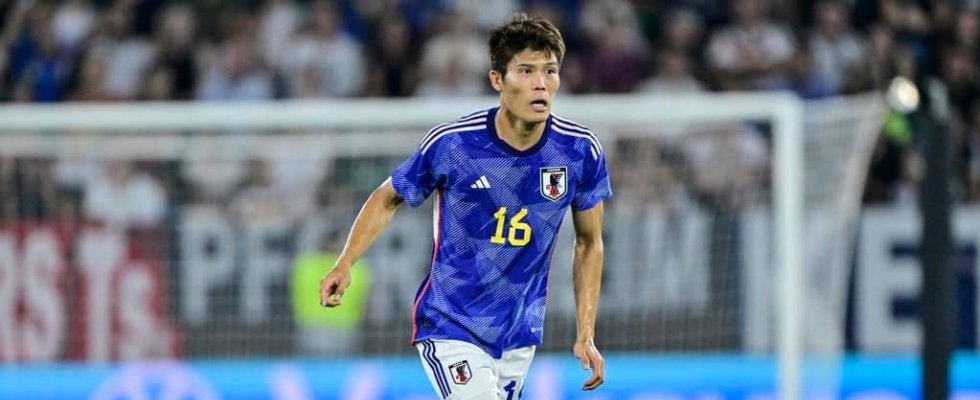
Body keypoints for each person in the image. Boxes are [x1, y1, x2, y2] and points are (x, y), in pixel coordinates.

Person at [319, 13, 611, 398]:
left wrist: (586, 333)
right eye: (526, 71)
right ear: (497, 80)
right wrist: (345, 261)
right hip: (451, 323)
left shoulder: (579, 151)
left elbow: (589, 242)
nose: (540, 83)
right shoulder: (454, 143)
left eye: (550, 71)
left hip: (518, 332)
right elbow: (389, 195)